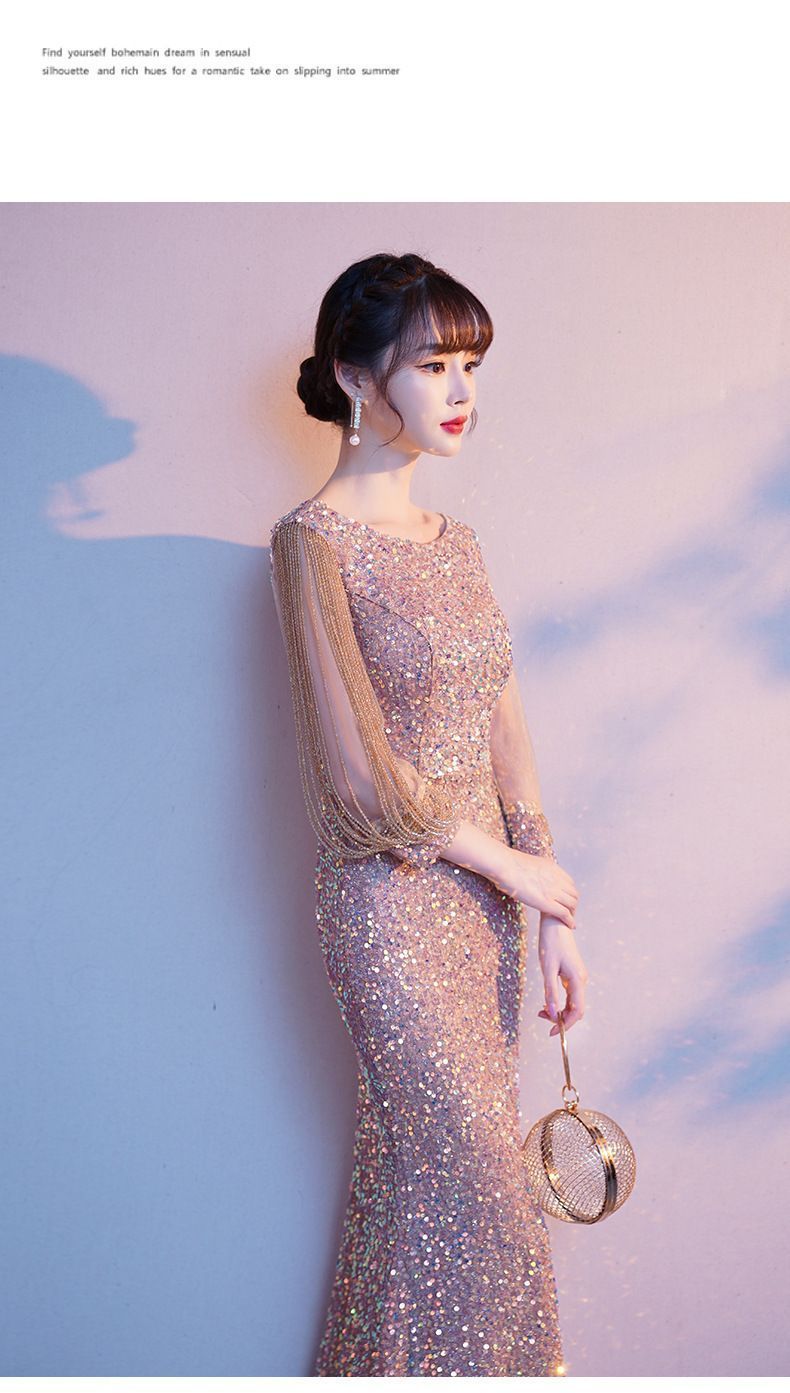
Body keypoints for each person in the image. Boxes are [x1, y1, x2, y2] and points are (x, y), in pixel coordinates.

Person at [269, 251, 589, 1377]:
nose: (461, 392)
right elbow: (358, 775)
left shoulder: (460, 545)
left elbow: (506, 732)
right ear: (358, 379)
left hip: (486, 917)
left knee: (417, 1195)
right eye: (433, 365)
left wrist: (548, 906)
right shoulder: (311, 543)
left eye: (471, 365)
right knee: (476, 1194)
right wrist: (509, 867)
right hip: (391, 912)